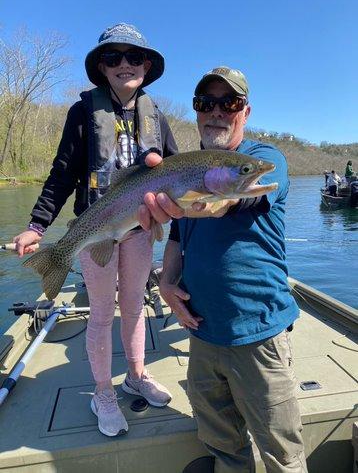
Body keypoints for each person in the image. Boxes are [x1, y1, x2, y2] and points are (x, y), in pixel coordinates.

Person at [139, 67, 307, 472]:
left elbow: (232, 200)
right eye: (205, 103)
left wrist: (210, 196)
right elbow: (177, 237)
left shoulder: (262, 162)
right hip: (201, 331)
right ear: (197, 112)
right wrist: (165, 280)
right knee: (224, 451)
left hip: (258, 333)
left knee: (283, 458)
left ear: (244, 112)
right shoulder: (180, 171)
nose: (216, 112)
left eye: (228, 103)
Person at [13, 23, 177, 437]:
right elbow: (61, 175)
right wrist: (37, 225)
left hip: (140, 230)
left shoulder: (156, 115)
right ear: (101, 68)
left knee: (136, 306)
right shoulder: (82, 111)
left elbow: (177, 169)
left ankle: (136, 375)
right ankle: (103, 392)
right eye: (113, 58)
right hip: (95, 227)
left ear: (147, 65)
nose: (125, 64)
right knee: (102, 314)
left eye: (134, 57)